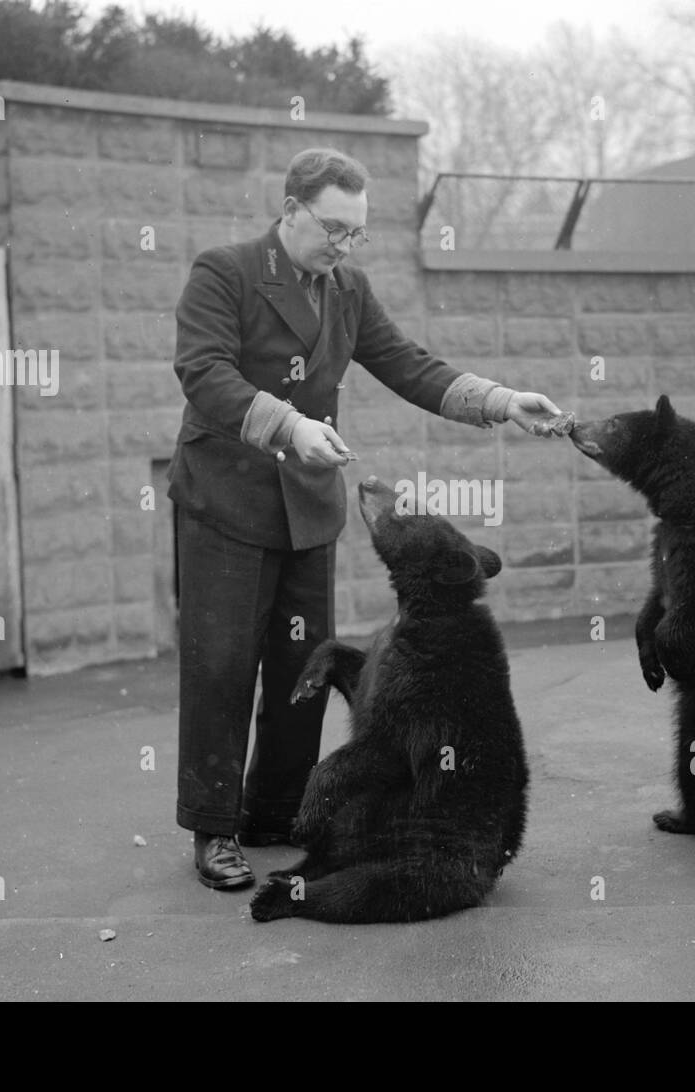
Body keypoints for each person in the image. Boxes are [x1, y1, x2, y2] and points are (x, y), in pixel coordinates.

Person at [167, 147, 566, 890]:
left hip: (308, 511)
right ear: (290, 211)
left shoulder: (348, 289)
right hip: (224, 505)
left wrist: (502, 401)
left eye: (357, 233)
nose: (345, 246)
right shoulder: (224, 272)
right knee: (222, 668)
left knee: (301, 669)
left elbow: (408, 364)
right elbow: (203, 373)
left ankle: (274, 812)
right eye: (334, 229)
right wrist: (288, 424)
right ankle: (214, 828)